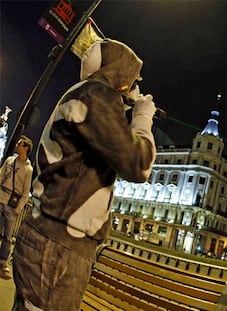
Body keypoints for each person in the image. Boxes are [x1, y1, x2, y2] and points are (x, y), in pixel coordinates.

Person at [12, 38, 157, 311]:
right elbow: (139, 164)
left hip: (50, 240)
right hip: (59, 247)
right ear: (119, 73)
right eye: (132, 78)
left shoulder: (84, 95)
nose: (134, 86)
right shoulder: (95, 96)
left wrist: (123, 107)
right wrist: (142, 117)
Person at [0, 135, 33, 274]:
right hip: (0, 197)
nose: (17, 145)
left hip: (11, 205)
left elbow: (26, 192)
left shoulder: (28, 169)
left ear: (25, 148)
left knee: (8, 236)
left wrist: (18, 208)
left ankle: (2, 261)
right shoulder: (10, 161)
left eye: (20, 144)